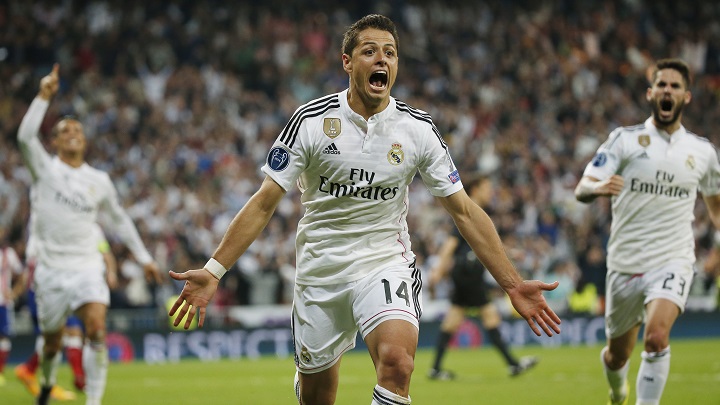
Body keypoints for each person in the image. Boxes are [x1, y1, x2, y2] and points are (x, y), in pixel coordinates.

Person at [169, 14, 562, 405]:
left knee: (398, 364)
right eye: (369, 51)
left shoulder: (417, 129)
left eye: (390, 53)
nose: (382, 60)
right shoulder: (311, 121)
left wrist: (511, 282)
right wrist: (214, 270)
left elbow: (464, 211)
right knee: (317, 397)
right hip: (321, 269)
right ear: (347, 62)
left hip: (384, 260)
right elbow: (263, 203)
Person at [574, 58, 720, 405]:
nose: (668, 90)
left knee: (655, 337)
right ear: (650, 93)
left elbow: (716, 206)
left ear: (686, 97)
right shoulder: (624, 141)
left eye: (675, 86)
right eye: (662, 85)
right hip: (625, 263)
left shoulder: (702, 153)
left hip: (674, 259)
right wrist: (597, 188)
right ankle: (617, 388)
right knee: (617, 356)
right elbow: (582, 187)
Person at [17, 64, 162, 405]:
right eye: (65, 130)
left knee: (96, 327)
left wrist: (144, 258)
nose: (73, 133)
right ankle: (49, 383)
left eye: (78, 129)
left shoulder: (99, 180)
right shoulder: (44, 169)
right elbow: (24, 137)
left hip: (86, 265)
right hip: (51, 270)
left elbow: (120, 220)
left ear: (84, 139)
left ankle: (94, 401)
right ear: (53, 141)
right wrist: (43, 97)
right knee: (51, 344)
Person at [426, 175, 538, 380]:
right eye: (487, 188)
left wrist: (510, 253)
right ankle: (513, 364)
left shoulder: (474, 212)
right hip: (468, 274)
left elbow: (487, 243)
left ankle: (435, 369)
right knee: (490, 316)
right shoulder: (466, 211)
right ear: (475, 189)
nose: (491, 192)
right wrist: (438, 270)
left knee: (453, 320)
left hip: (465, 275)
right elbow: (451, 244)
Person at [16, 223, 118, 400]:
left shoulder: (90, 228)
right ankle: (60, 378)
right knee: (59, 335)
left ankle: (56, 378)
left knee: (69, 334)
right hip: (49, 288)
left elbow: (105, 252)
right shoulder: (47, 223)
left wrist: (110, 272)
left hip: (65, 285)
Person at [0, 226, 25, 387]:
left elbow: (22, 274)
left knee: (4, 337)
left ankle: (0, 372)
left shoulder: (8, 254)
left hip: (3, 303)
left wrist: (14, 293)